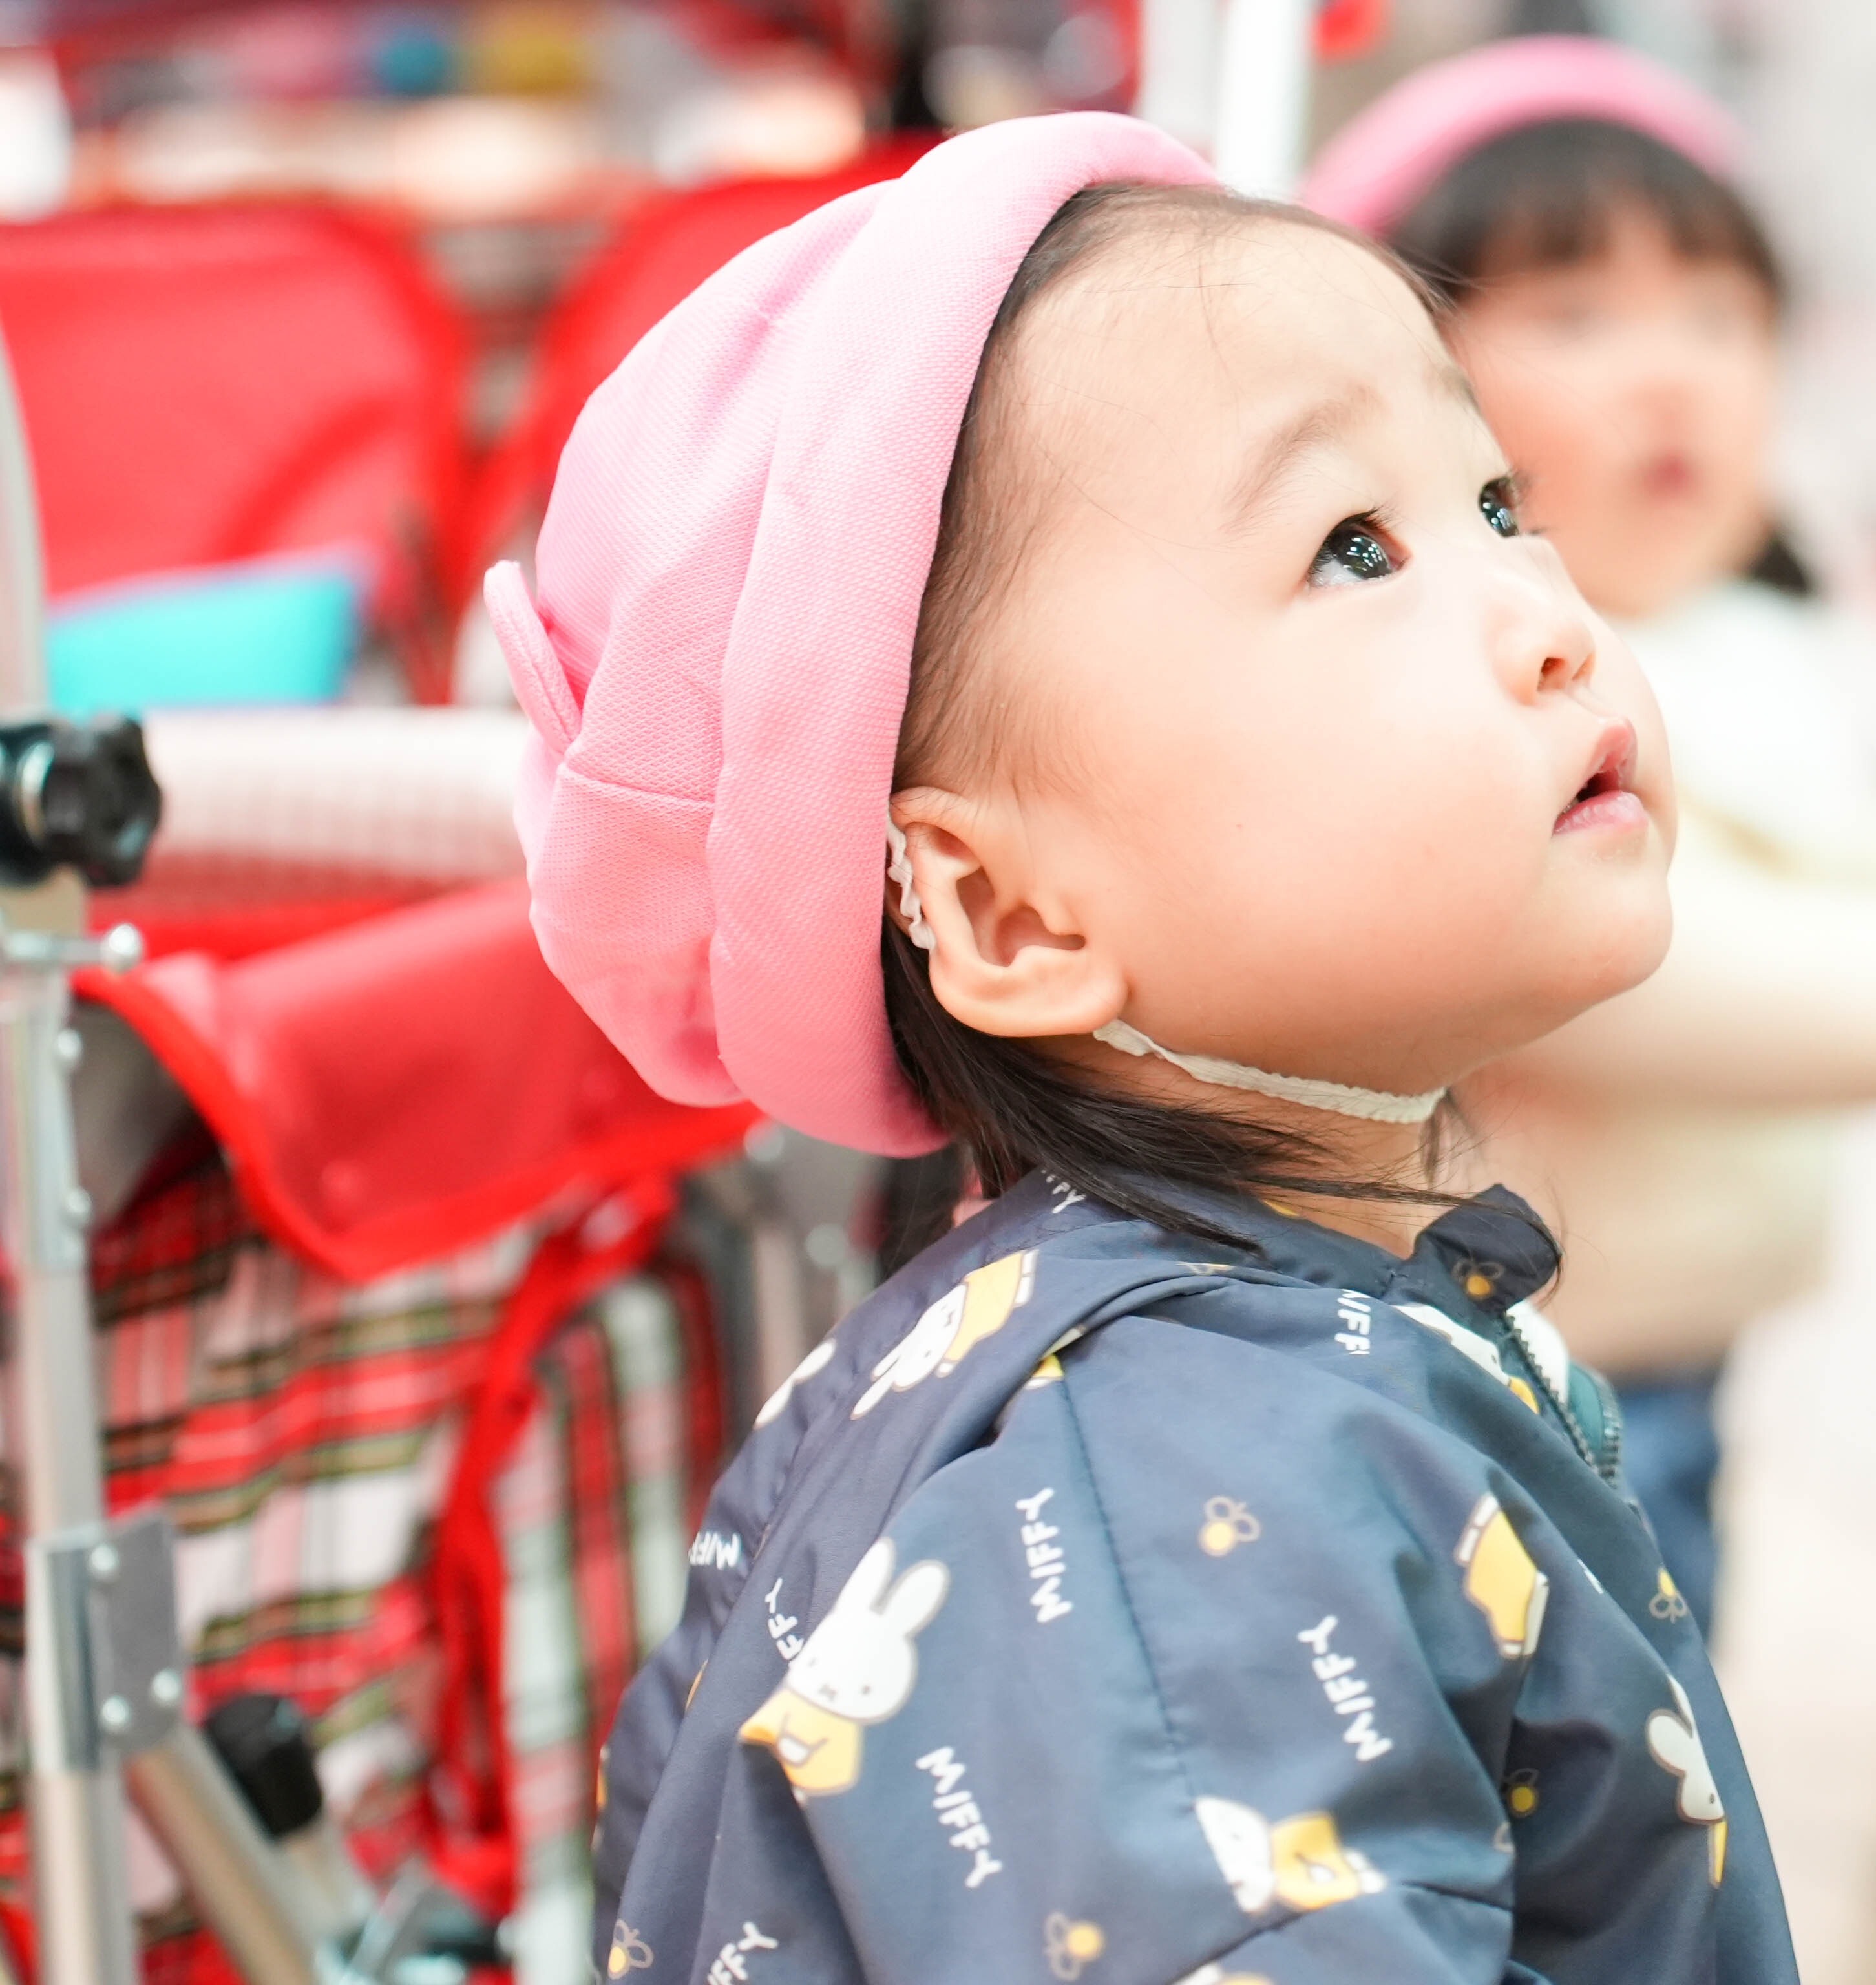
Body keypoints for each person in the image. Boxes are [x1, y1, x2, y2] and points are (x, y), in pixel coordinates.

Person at [495, 114, 1797, 1984]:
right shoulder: (1177, 1518)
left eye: (1501, 507)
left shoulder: (1241, 1359)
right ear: (1012, 915)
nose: (1547, 623)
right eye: (1355, 548)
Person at [1303, 37, 1876, 1635]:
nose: (1673, 377)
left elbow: (1800, 847)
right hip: (1492, 1387)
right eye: (1577, 318)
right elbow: (1622, 966)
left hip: (1673, 1355)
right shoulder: (1452, 679)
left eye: (1720, 319)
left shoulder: (1733, 641)